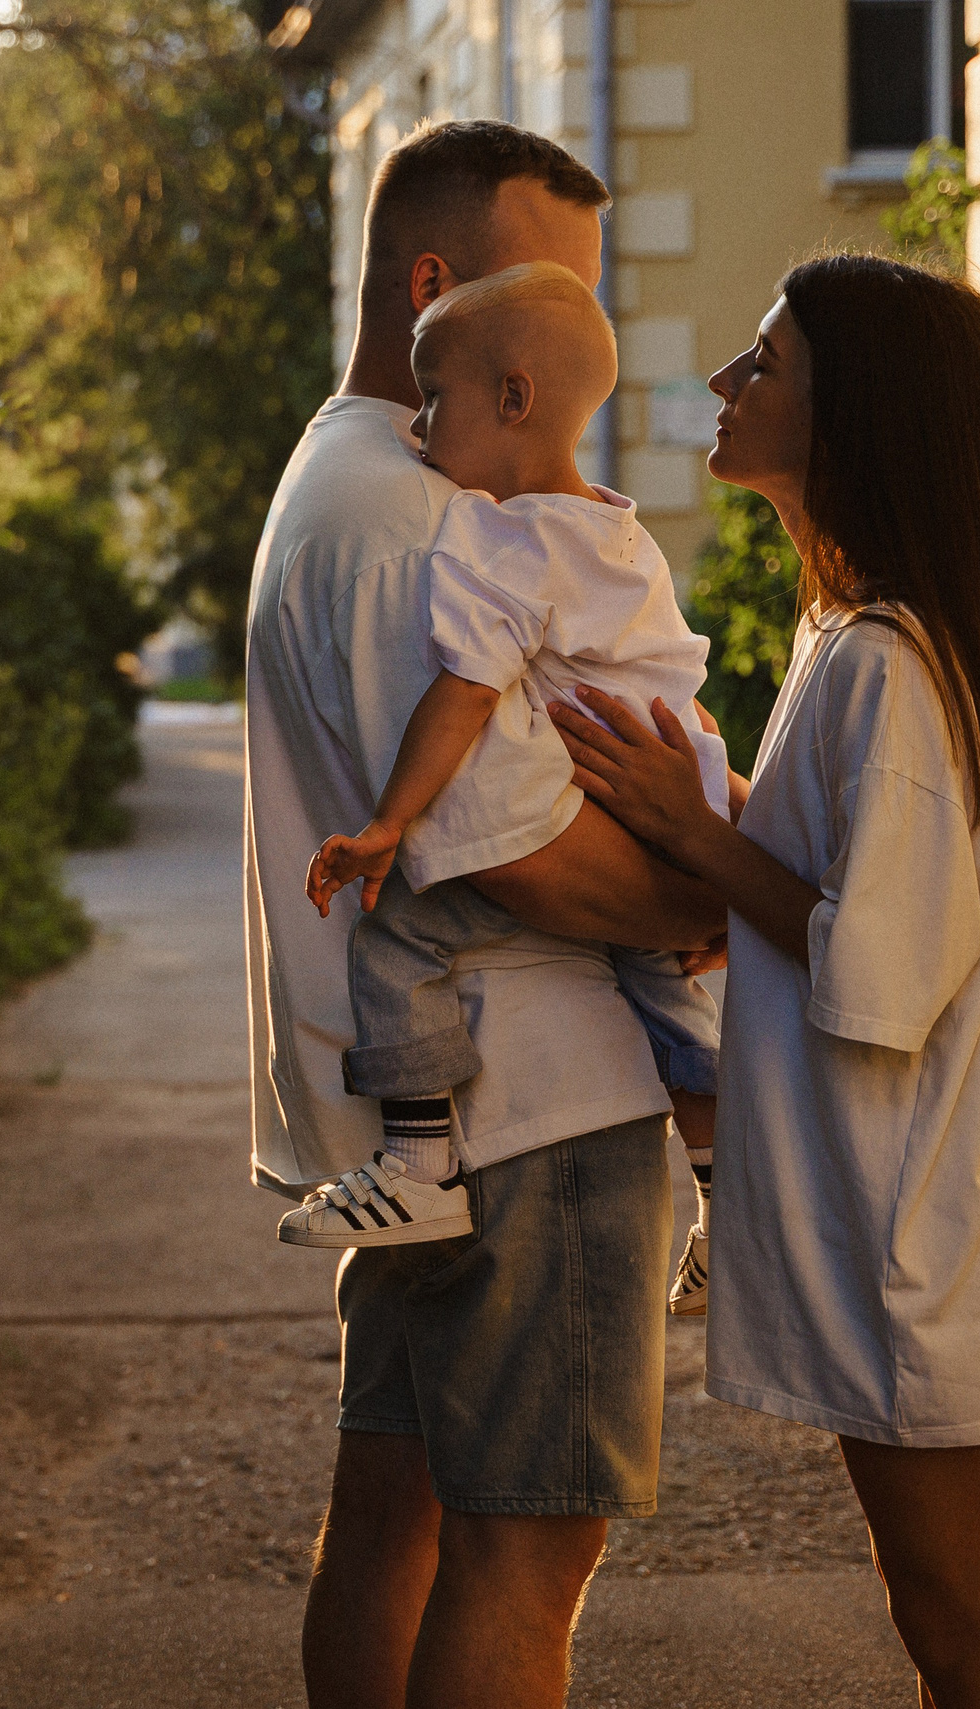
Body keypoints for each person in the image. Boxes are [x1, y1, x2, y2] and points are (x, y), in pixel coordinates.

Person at [550, 253, 980, 1707]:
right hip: (916, 1213)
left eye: (768, 363)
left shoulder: (886, 662)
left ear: (856, 413)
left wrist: (697, 834)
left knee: (969, 1633)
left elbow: (874, 964)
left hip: (913, 1232)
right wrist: (721, 828)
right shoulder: (857, 634)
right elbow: (867, 881)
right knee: (958, 1624)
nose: (726, 384)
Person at [243, 119, 722, 1709]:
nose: (570, 372)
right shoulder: (410, 516)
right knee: (527, 1556)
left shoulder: (357, 481)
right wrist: (715, 891)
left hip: (446, 1115)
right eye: (550, 306)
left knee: (397, 1520)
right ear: (443, 292)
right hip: (532, 1116)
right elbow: (516, 844)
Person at [283, 260, 730, 1325]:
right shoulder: (622, 534)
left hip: (606, 811)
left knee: (397, 932)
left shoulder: (502, 537)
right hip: (678, 809)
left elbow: (462, 696)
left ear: (514, 399)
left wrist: (390, 821)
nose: (415, 428)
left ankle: (419, 1166)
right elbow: (680, 687)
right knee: (670, 994)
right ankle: (727, 1199)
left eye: (434, 399)